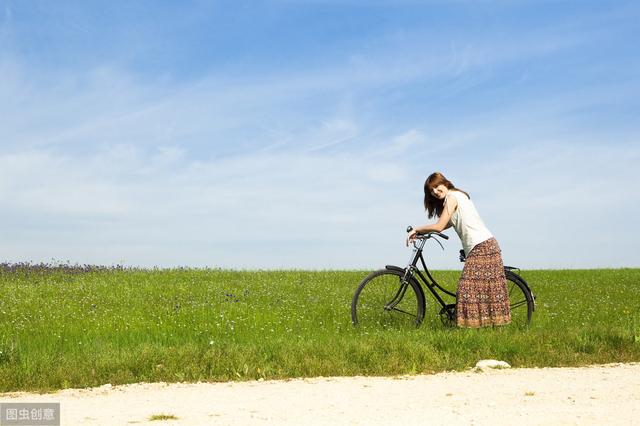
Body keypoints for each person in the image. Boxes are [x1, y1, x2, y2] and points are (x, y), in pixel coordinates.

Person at [406, 172, 511, 328]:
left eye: (436, 186)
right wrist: (422, 232)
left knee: (466, 288)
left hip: (482, 246)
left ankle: (471, 327)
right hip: (479, 245)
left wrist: (417, 228)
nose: (435, 191)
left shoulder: (452, 197)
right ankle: (483, 327)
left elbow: (439, 226)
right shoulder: (457, 196)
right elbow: (447, 224)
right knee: (477, 289)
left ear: (444, 183)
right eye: (431, 191)